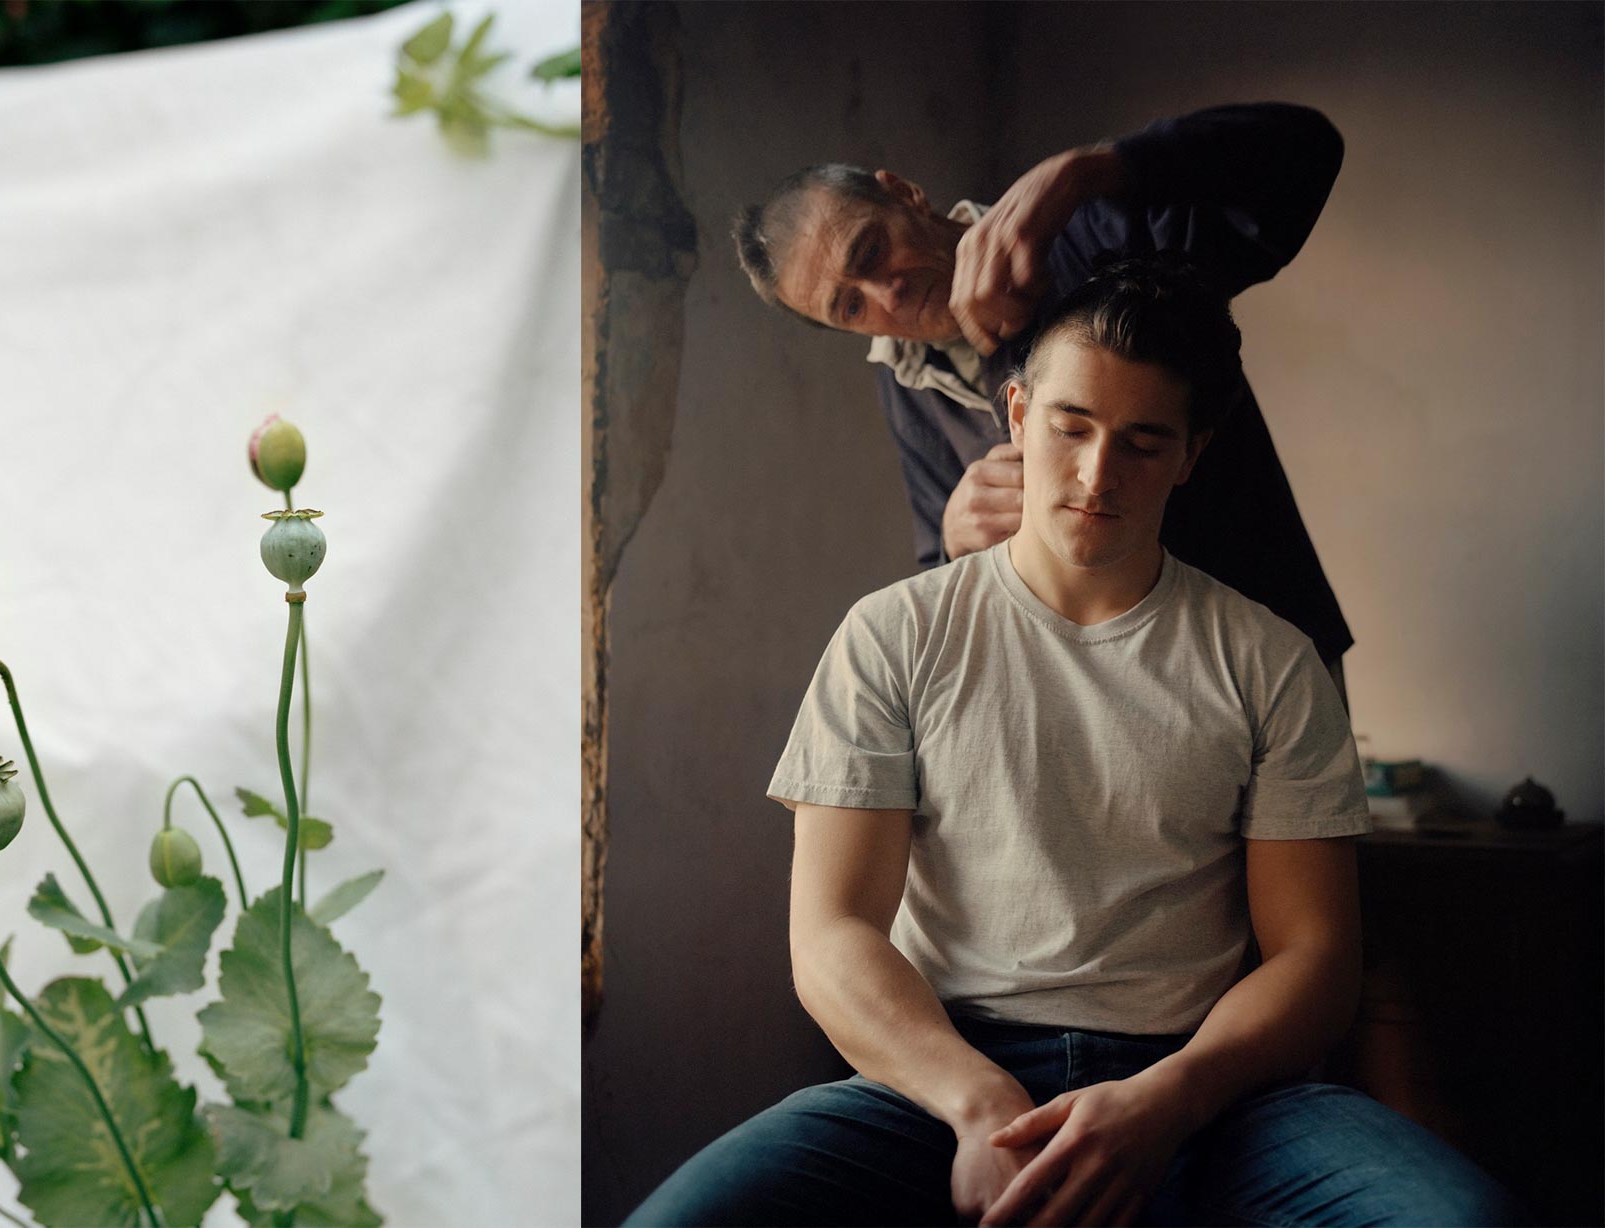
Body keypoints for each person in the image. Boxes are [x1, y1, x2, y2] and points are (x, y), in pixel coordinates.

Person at [625, 260, 1520, 1226]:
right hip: (941, 1075)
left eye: (1142, 442)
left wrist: (1165, 1105)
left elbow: (1314, 957)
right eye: (1071, 428)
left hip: (1206, 1087)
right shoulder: (893, 635)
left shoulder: (1268, 659)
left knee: (1462, 1218)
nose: (1099, 477)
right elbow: (830, 935)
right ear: (1016, 416)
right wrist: (978, 1108)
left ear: (1191, 454)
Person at [731, 104, 1353, 697]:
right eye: (851, 306)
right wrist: (952, 540)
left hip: (1261, 649)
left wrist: (1089, 171)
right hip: (1096, 696)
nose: (887, 295)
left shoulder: (1087, 228)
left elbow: (1305, 151)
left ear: (903, 193)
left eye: (868, 251)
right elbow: (942, 576)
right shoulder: (904, 383)